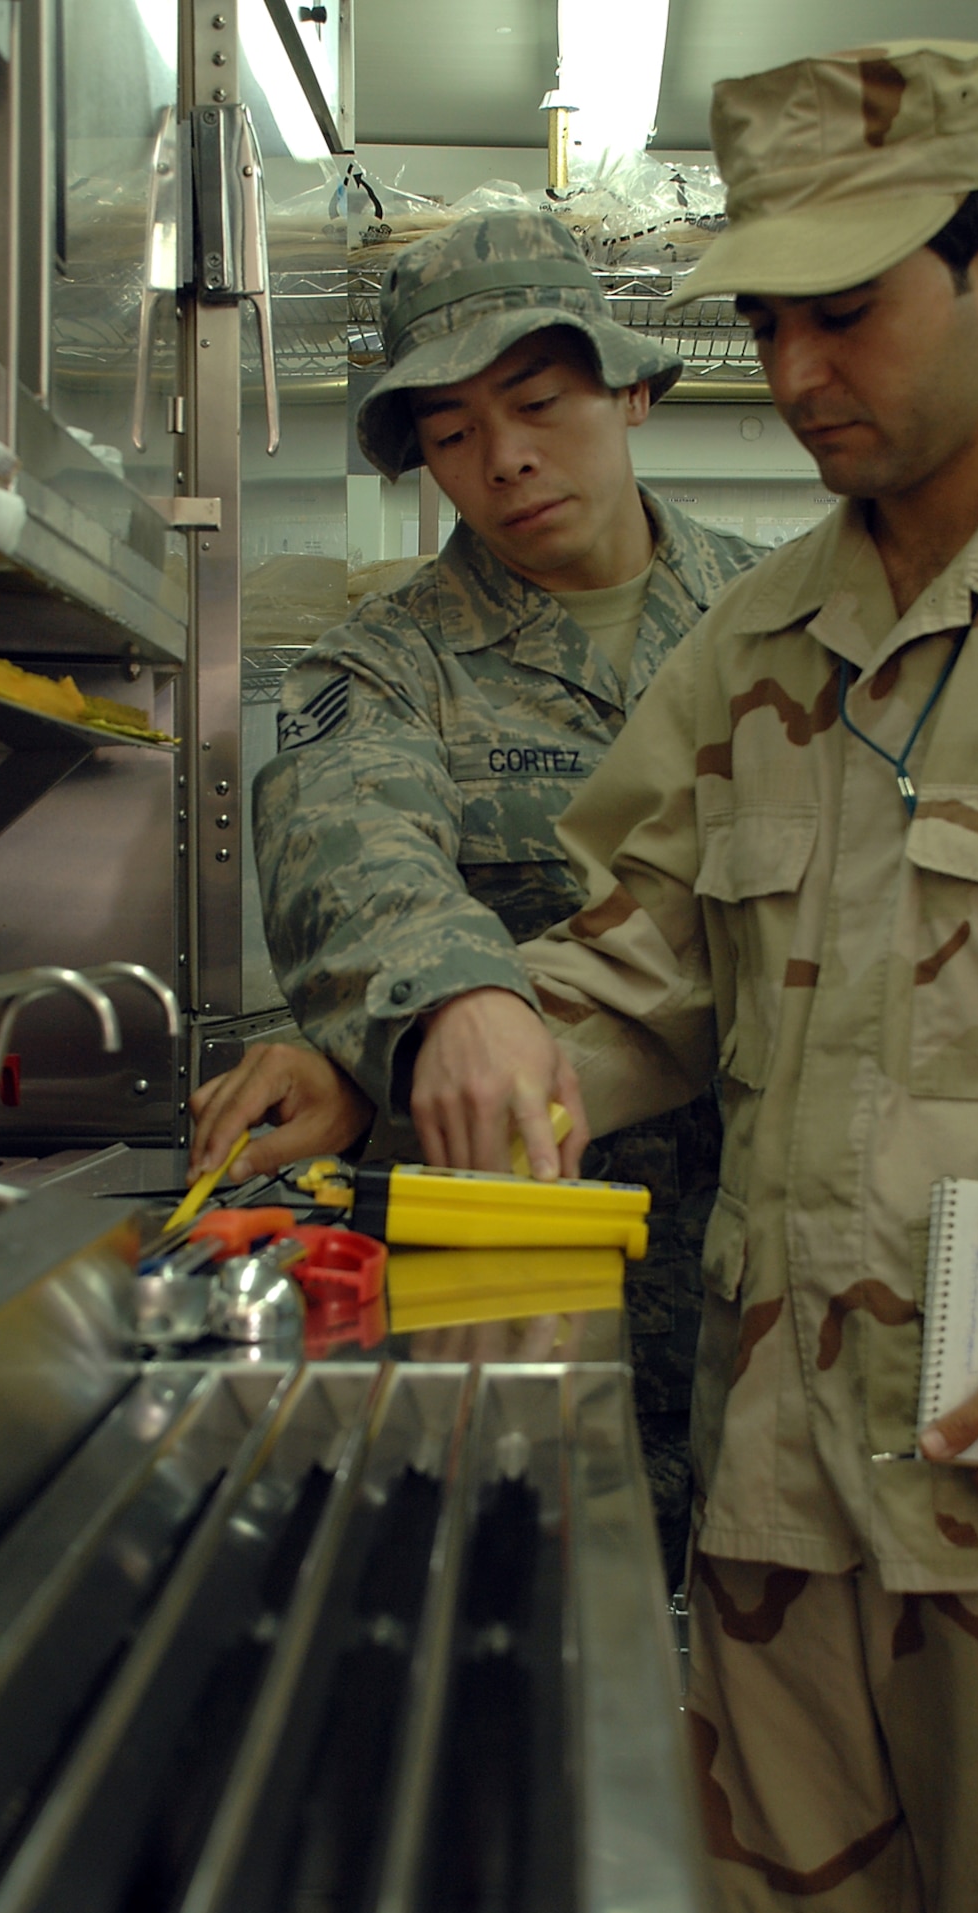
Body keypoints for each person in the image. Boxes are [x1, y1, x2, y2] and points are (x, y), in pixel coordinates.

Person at [403, 41, 978, 1913]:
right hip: (784, 1532)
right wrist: (463, 1033)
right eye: (764, 321)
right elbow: (636, 975)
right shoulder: (759, 644)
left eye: (845, 310)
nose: (792, 376)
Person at [189, 211, 759, 1582]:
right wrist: (455, 998)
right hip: (507, 1303)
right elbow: (349, 844)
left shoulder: (783, 621)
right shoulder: (384, 663)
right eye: (449, 433)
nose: (500, 458)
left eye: (538, 403)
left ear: (628, 388)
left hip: (770, 1297)